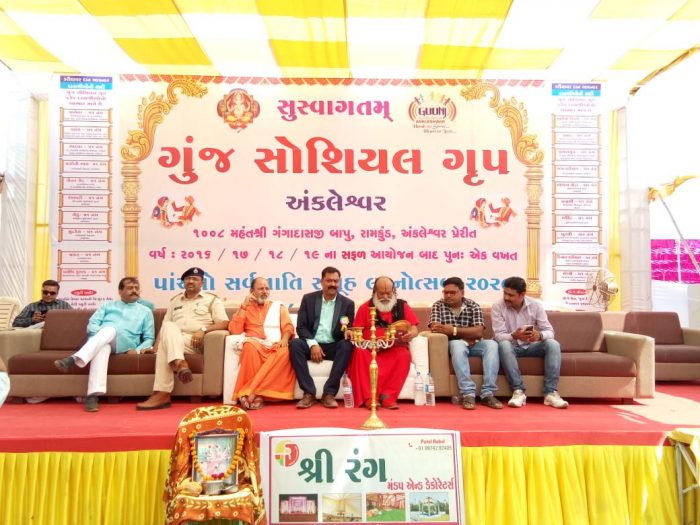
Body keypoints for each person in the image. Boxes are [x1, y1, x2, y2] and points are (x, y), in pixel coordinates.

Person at [53, 277, 155, 412]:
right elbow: (92, 325)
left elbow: (149, 338)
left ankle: (74, 359)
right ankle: (93, 396)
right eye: (130, 288)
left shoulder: (145, 311)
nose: (134, 291)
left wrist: (137, 351)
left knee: (109, 330)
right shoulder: (107, 306)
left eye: (137, 288)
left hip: (126, 343)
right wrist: (101, 335)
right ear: (120, 291)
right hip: (103, 340)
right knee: (103, 345)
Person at [136, 267, 229, 410]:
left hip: (196, 342)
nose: (190, 281)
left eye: (195, 279)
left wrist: (203, 330)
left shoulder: (212, 300)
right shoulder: (175, 301)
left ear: (202, 283)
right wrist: (154, 349)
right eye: (187, 279)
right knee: (169, 327)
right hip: (174, 340)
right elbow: (165, 327)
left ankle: (162, 393)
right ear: (183, 282)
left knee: (168, 337)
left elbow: (224, 323)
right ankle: (180, 364)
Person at [492, 276, 569, 409]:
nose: (506, 297)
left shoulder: (535, 305)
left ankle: (550, 392)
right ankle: (518, 391)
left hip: (532, 346)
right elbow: (498, 336)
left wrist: (539, 335)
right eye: (505, 293)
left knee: (553, 344)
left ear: (522, 294)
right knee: (504, 344)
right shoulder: (498, 306)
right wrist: (514, 336)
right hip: (511, 347)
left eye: (511, 295)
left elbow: (550, 331)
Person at [429, 277, 502, 410]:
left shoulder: (473, 305)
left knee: (492, 345)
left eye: (452, 292)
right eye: (446, 292)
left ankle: (488, 393)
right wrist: (467, 334)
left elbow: (478, 332)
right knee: (458, 345)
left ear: (462, 293)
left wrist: (453, 330)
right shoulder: (438, 306)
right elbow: (437, 329)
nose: (448, 295)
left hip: (475, 344)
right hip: (453, 345)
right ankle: (468, 393)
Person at [346, 276, 418, 409]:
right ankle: (370, 398)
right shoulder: (365, 308)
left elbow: (414, 328)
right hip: (369, 349)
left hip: (393, 349)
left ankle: (388, 397)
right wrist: (366, 342)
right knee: (359, 352)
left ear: (394, 291)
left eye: (388, 293)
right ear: (374, 292)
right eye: (381, 293)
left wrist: (411, 334)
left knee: (404, 354)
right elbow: (357, 331)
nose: (385, 297)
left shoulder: (402, 306)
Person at [290, 266, 355, 409]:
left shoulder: (347, 304)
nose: (333, 284)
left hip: (333, 345)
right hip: (311, 343)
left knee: (346, 345)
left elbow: (348, 328)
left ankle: (329, 394)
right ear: (321, 282)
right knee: (295, 344)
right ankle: (309, 393)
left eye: (336, 281)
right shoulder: (308, 299)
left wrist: (348, 332)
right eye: (329, 281)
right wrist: (313, 344)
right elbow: (301, 327)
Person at [229, 277, 296, 410]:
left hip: (275, 345)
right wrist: (244, 306)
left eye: (267, 288)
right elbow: (235, 330)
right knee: (249, 347)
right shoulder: (245, 308)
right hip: (255, 344)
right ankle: (259, 396)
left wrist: (284, 339)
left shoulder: (277, 307)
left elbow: (288, 326)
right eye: (260, 289)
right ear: (251, 291)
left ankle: (252, 393)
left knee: (286, 351)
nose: (264, 291)